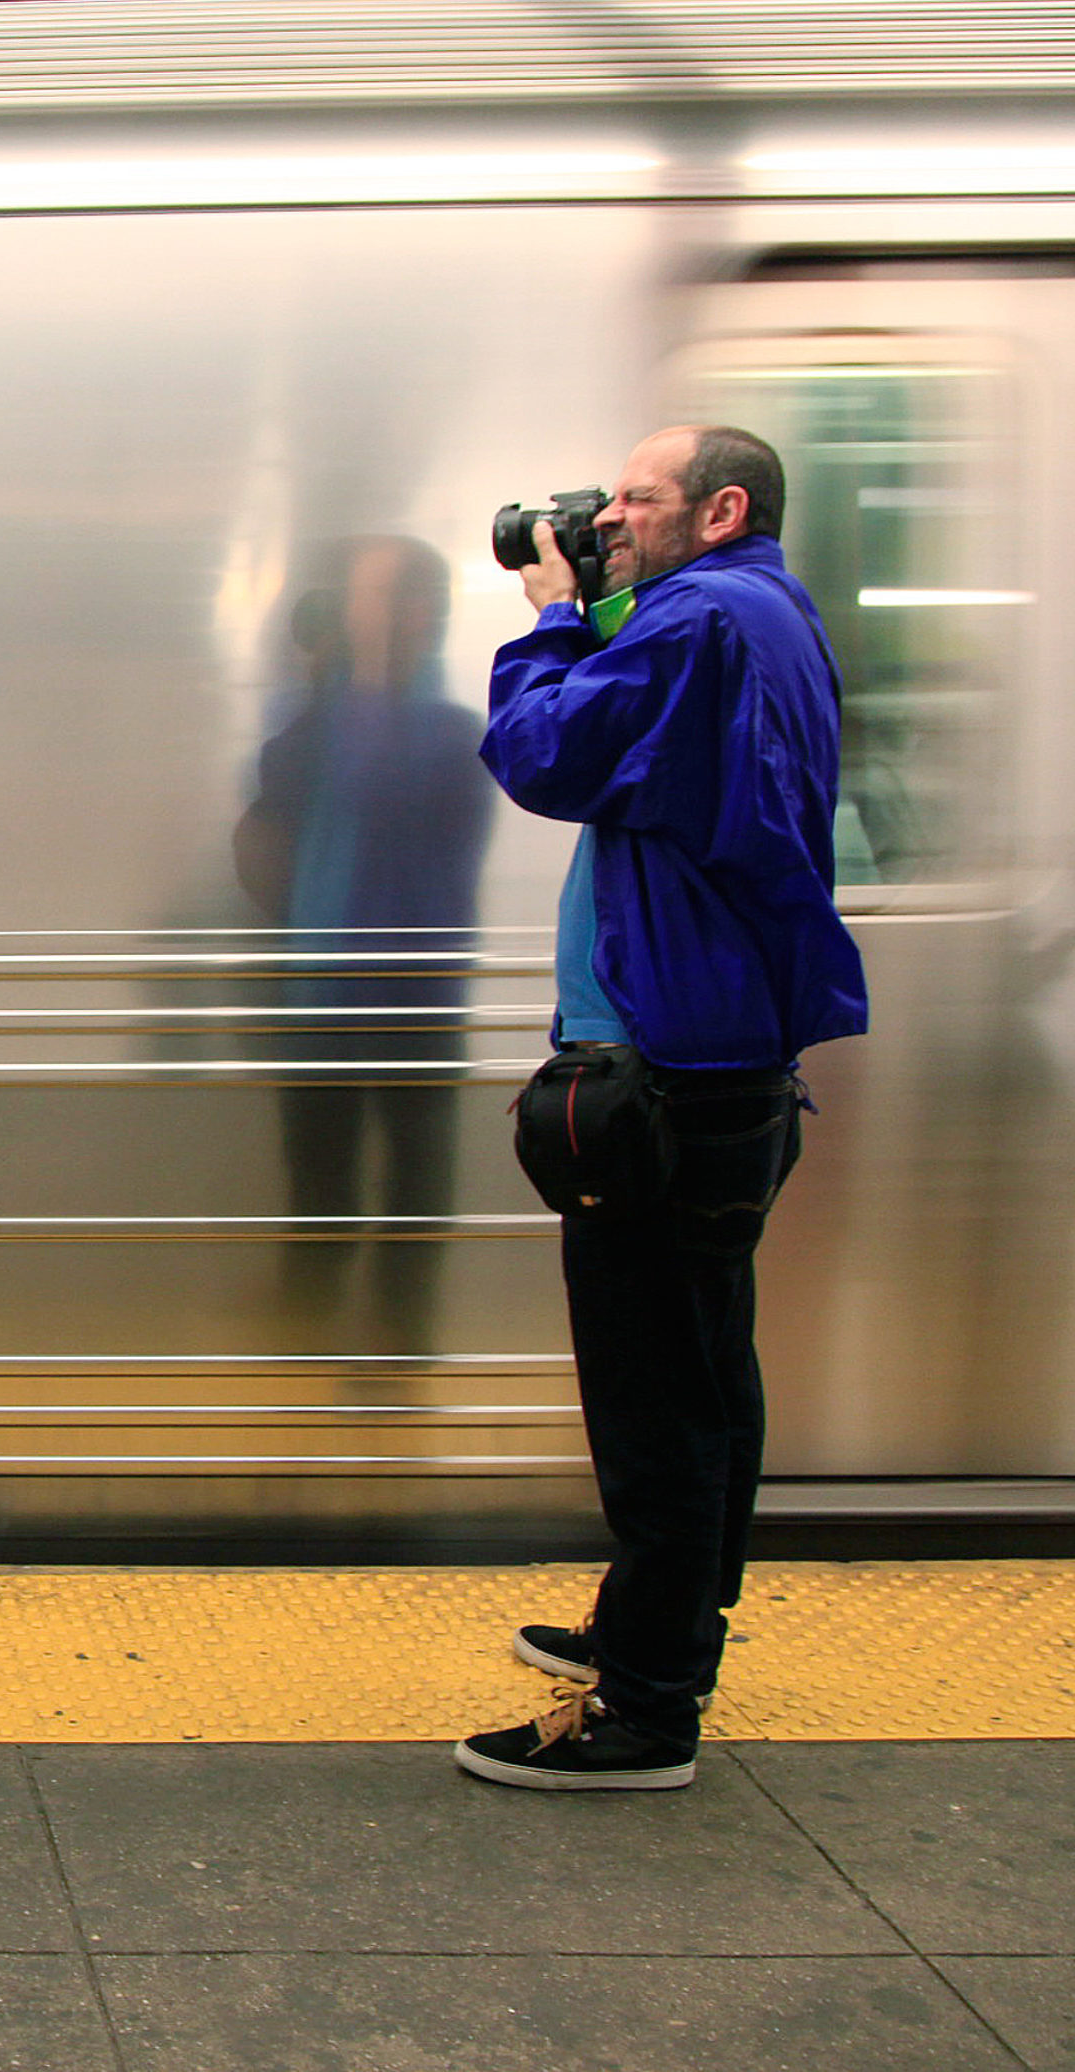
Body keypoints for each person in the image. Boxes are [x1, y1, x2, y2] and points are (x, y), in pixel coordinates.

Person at [455, 427, 866, 1792]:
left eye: (638, 497)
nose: (611, 515)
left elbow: (544, 754)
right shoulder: (756, 613)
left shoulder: (703, 624)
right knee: (700, 1372)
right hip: (716, 1054)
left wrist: (554, 618)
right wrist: (604, 598)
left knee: (658, 1397)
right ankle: (657, 1626)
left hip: (675, 1077)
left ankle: (645, 1709)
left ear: (722, 507)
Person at [235, 536, 494, 1358]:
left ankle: (399, 1345)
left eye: (375, 597)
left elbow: (386, 775)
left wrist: (377, 652)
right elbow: (278, 801)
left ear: (417, 613)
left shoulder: (452, 735)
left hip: (412, 995)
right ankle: (307, 1327)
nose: (358, 611)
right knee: (317, 1176)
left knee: (413, 1184)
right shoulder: (309, 724)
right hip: (317, 990)